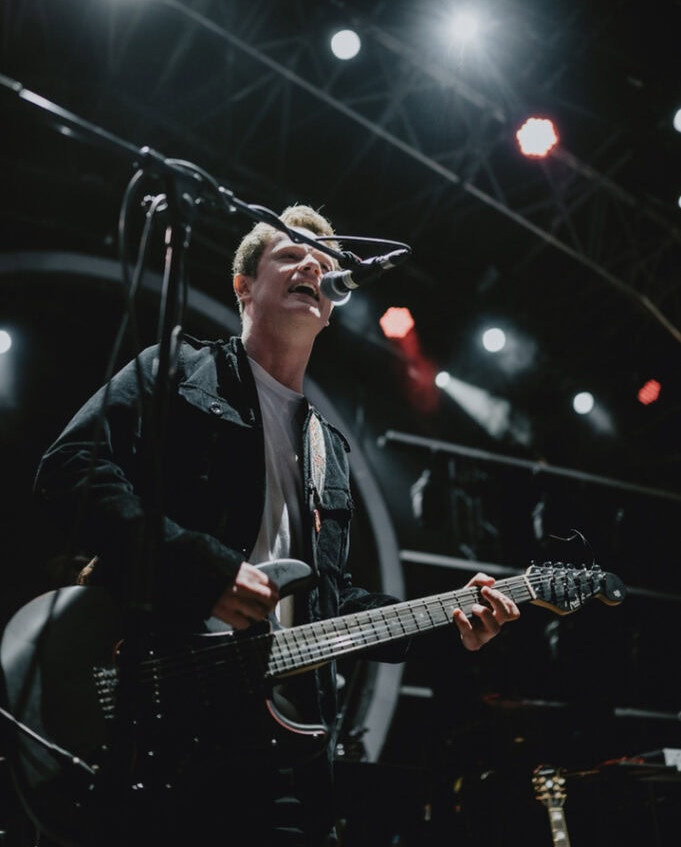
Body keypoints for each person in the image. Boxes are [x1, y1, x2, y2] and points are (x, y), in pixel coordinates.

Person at [32, 205, 520, 846]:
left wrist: (449, 620)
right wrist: (203, 570)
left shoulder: (329, 448)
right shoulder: (179, 367)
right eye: (290, 255)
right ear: (244, 287)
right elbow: (70, 469)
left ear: (332, 306)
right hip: (154, 714)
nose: (312, 266)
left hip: (281, 746)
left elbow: (329, 603)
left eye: (323, 261)